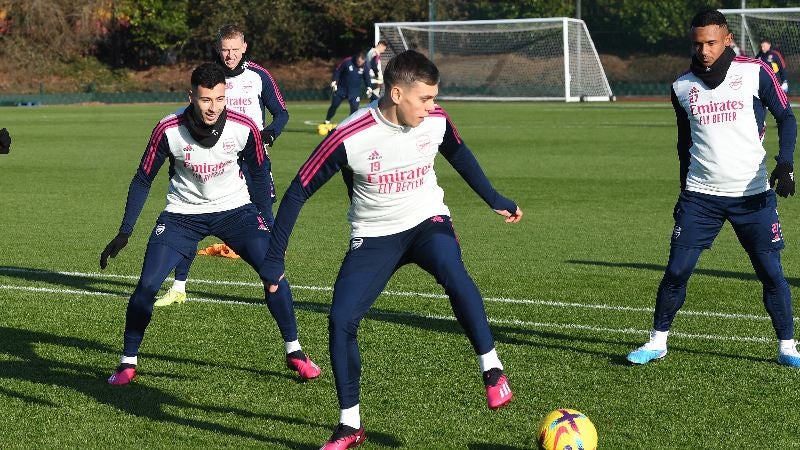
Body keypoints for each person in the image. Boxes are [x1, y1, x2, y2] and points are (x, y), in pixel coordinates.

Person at [263, 50, 523, 449]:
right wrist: (275, 260)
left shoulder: (435, 120)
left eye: (435, 98)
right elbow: (298, 190)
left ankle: (492, 369)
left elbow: (458, 152)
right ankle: (350, 425)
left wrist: (493, 197)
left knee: (453, 273)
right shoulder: (350, 135)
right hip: (374, 235)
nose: (433, 107)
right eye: (425, 99)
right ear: (397, 93)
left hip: (426, 221)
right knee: (341, 320)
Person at [99, 62, 320, 385]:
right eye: (205, 100)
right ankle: (127, 362)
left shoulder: (244, 127)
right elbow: (143, 178)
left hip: (236, 212)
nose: (213, 107)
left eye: (219, 99)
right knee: (146, 287)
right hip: (181, 216)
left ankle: (295, 351)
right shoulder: (167, 128)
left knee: (274, 274)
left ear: (225, 94)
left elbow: (259, 175)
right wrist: (125, 230)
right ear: (191, 96)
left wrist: (266, 221)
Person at [626, 10, 800, 368]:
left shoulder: (755, 72)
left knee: (771, 273)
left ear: (728, 40)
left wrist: (785, 163)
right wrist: (682, 191)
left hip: (752, 195)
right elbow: (683, 144)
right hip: (700, 197)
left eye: (711, 42)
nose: (704, 50)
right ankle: (657, 342)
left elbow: (786, 117)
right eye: (698, 43)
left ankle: (787, 347)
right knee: (677, 270)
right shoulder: (682, 87)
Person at [155, 24, 290, 307]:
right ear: (218, 49)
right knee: (191, 213)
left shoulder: (259, 76)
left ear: (244, 47)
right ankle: (179, 286)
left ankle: (275, 280)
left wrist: (269, 134)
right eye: (225, 50)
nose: (229, 55)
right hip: (212, 157)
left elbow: (281, 114)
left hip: (252, 158)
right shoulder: (209, 75)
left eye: (234, 49)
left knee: (265, 215)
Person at [323, 51, 372, 128]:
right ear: (356, 58)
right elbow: (337, 71)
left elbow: (367, 78)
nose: (359, 63)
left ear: (364, 60)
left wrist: (369, 87)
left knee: (354, 109)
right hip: (341, 89)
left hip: (354, 91)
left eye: (361, 62)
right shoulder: (347, 61)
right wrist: (334, 81)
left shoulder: (365, 66)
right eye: (358, 61)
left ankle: (350, 126)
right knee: (334, 105)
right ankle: (326, 121)